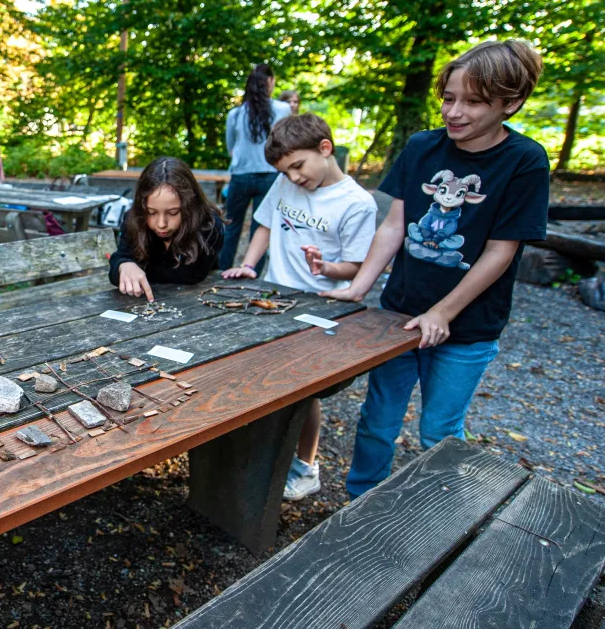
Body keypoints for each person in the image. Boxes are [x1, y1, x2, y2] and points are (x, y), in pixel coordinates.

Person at [322, 39, 548, 498]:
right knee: (376, 423)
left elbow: (500, 252)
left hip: (467, 328)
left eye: (473, 102)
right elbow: (394, 226)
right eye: (448, 98)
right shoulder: (423, 147)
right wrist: (358, 287)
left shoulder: (525, 161)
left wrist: (442, 313)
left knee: (440, 435)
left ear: (512, 103)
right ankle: (360, 502)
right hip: (398, 316)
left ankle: (441, 519)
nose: (454, 112)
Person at [223, 113, 378, 500]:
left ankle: (305, 466)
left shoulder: (358, 203)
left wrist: (325, 267)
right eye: (285, 170)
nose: (293, 178)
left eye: (297, 166)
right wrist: (248, 264)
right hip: (274, 296)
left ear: (324, 149)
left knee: (303, 390)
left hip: (320, 306)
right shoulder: (283, 183)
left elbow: (357, 266)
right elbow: (265, 225)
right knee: (256, 369)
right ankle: (256, 449)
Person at [110, 157, 225, 301]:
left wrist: (136, 267)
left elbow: (191, 275)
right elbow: (117, 265)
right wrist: (124, 265)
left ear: (190, 206)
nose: (161, 224)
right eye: (151, 212)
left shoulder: (209, 225)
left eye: (173, 212)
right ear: (141, 206)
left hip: (198, 300)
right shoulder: (135, 219)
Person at [219, 64, 293, 271]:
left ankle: (219, 270)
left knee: (231, 225)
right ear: (269, 82)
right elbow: (288, 143)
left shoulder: (235, 114)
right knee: (261, 226)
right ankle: (251, 271)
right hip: (270, 176)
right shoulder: (283, 110)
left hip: (241, 175)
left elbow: (230, 146)